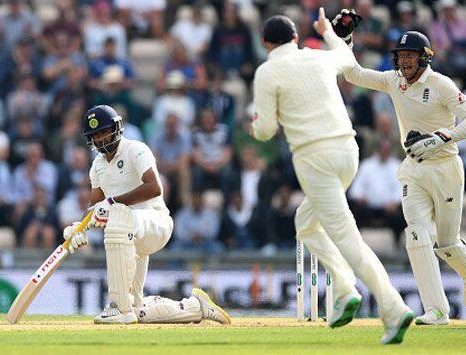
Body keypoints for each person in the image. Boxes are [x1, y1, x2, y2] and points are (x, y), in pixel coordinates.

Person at [250, 11, 413, 345]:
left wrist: (254, 125)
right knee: (306, 223)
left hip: (315, 159)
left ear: (265, 43)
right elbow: (345, 56)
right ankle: (343, 289)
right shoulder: (317, 56)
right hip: (348, 152)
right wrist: (327, 31)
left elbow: (265, 131)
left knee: (346, 238)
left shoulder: (267, 71)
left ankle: (393, 308)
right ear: (296, 38)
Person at [333, 10, 466, 326]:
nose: (404, 62)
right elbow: (354, 74)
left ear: (424, 58)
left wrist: (443, 137)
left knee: (447, 245)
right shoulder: (394, 81)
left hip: (445, 166)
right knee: (415, 236)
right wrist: (345, 40)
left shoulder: (441, 85)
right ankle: (437, 310)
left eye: (410, 57)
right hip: (413, 168)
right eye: (400, 56)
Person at [63, 105, 230, 325]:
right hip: (128, 236)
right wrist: (79, 227)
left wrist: (112, 202)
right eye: (95, 135)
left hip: (154, 222)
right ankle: (196, 308)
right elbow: (95, 207)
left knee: (118, 219)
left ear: (116, 129)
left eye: (104, 132)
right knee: (138, 310)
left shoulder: (135, 150)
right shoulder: (97, 166)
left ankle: (117, 306)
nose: (101, 139)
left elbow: (154, 188)